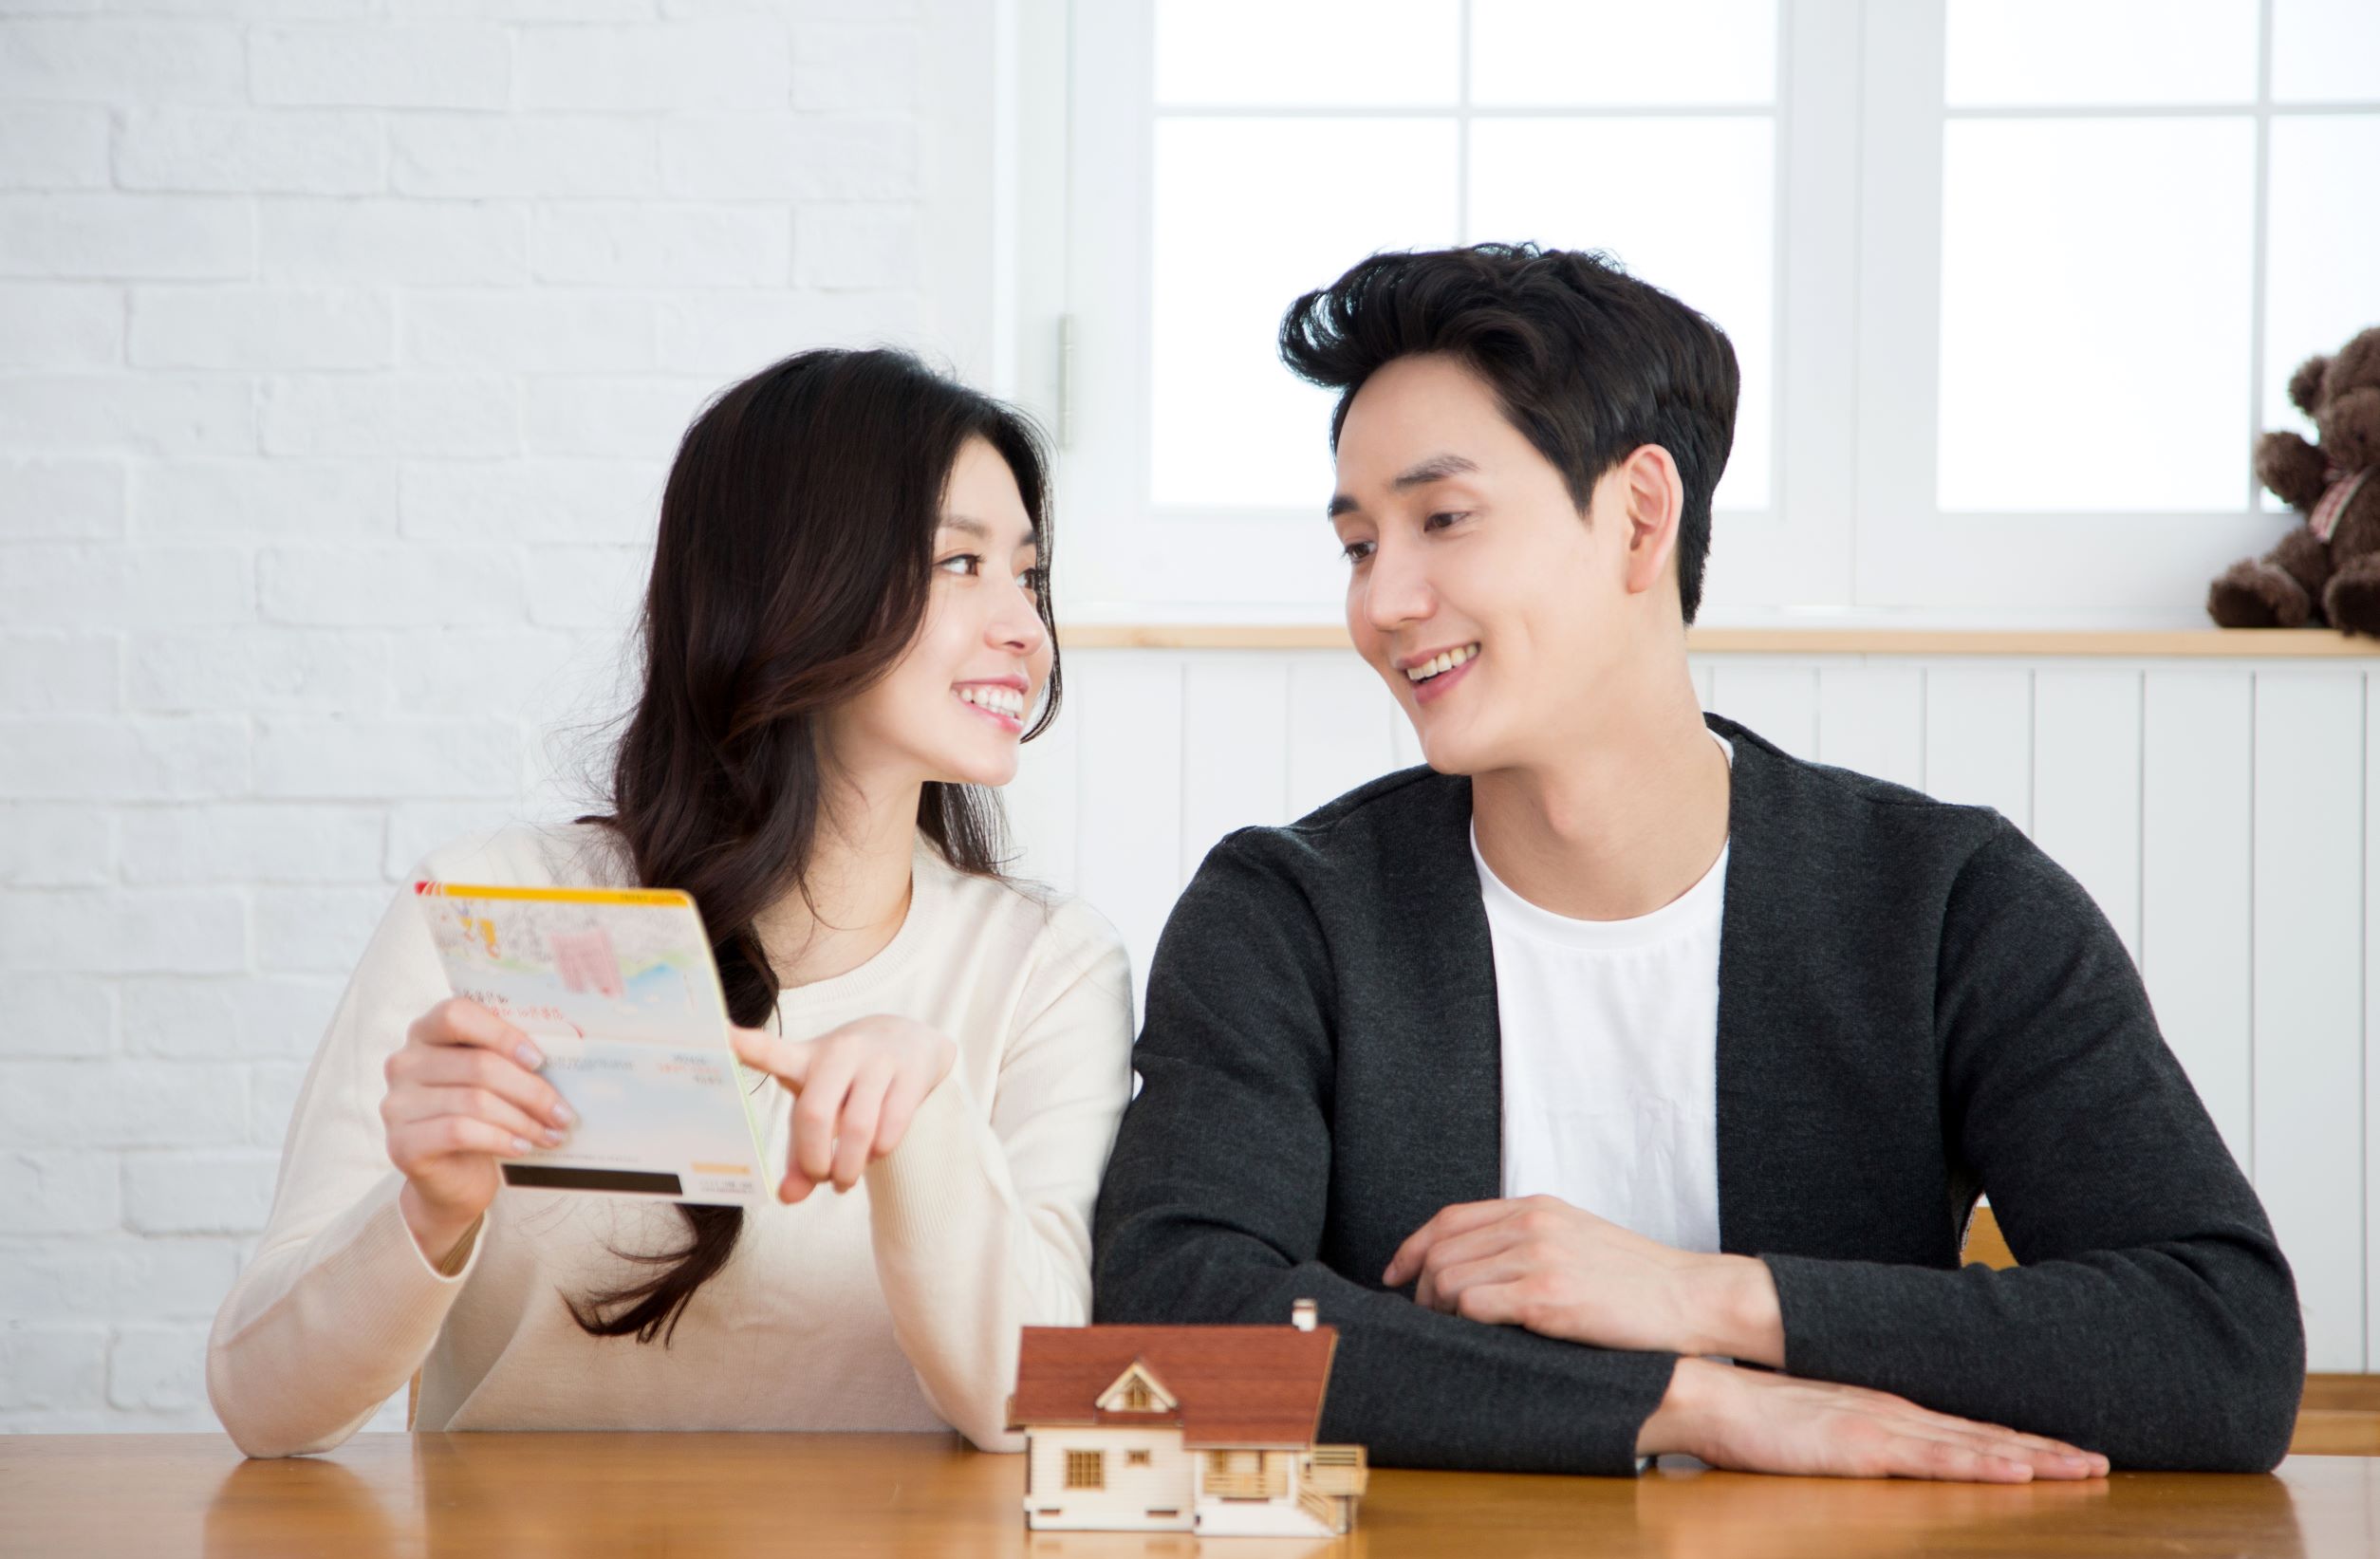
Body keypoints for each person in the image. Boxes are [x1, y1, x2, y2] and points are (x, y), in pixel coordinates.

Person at [1092, 244, 2302, 1479]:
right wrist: (1688, 1402)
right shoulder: (1286, 915)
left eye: (1443, 519)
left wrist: (1702, 1298)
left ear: (1639, 515)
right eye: (1359, 545)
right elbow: (1166, 1327)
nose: (1382, 602)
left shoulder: (1949, 903)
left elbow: (2222, 1344)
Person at [210, 348, 1134, 1458]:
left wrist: (926, 1119)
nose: (1028, 627)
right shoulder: (496, 909)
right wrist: (427, 1213)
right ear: (792, 582)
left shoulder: (1048, 966)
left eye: (1028, 574)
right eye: (960, 563)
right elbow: (259, 1402)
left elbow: (1039, 1410)